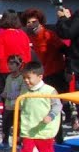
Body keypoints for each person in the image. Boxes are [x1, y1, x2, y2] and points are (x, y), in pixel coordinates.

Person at [23, 8, 71, 139]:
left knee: (58, 104)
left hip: (57, 72)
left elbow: (64, 50)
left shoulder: (48, 34)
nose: (31, 24)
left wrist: (68, 69)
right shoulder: (33, 36)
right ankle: (54, 134)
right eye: (28, 22)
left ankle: (59, 134)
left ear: (40, 21)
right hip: (45, 73)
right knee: (48, 104)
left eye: (34, 21)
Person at [15, 61, 61, 152]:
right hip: (28, 129)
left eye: (28, 78)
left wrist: (50, 116)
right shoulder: (24, 90)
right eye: (24, 78)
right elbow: (21, 107)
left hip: (43, 130)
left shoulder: (49, 90)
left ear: (40, 77)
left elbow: (57, 106)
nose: (26, 80)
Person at [0, 12, 31, 78]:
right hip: (22, 68)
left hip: (6, 69)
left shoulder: (1, 36)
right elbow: (28, 53)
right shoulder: (23, 34)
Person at [1, 55, 26, 151]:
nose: (10, 66)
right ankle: (5, 142)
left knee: (19, 126)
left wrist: (7, 95)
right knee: (5, 126)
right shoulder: (8, 77)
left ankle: (18, 143)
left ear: (19, 65)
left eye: (12, 63)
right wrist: (4, 94)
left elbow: (22, 92)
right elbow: (6, 90)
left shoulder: (22, 78)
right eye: (9, 63)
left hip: (19, 107)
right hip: (8, 106)